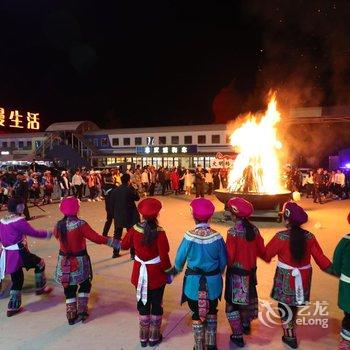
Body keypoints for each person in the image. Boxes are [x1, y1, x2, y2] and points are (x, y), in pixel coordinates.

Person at [264, 202, 333, 349]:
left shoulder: (281, 237)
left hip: (286, 276)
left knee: (284, 304)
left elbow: (267, 254)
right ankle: (291, 327)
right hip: (303, 275)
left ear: (287, 220)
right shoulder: (310, 237)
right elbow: (320, 257)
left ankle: (289, 336)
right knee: (294, 302)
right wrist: (334, 270)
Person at [53, 197, 120, 325]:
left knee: (69, 288)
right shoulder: (81, 224)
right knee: (85, 284)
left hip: (64, 262)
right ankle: (82, 311)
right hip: (79, 261)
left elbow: (56, 236)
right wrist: (112, 242)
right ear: (77, 209)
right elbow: (96, 238)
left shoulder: (58, 225)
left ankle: (71, 315)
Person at [173, 198, 227, 350]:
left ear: (193, 216)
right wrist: (218, 273)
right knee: (212, 310)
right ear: (210, 217)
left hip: (193, 284)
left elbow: (179, 260)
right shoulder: (217, 237)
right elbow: (223, 261)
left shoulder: (189, 236)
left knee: (196, 311)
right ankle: (211, 344)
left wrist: (175, 269)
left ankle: (198, 345)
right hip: (213, 283)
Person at [121, 198, 172, 347]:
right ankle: (154, 337)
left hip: (139, 273)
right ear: (157, 215)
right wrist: (169, 272)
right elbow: (164, 256)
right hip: (156, 275)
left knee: (142, 304)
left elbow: (124, 245)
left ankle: (143, 338)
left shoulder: (134, 229)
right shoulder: (160, 232)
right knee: (156, 304)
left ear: (141, 214)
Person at [0, 198, 53, 317]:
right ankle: (40, 288)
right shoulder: (19, 221)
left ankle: (12, 307)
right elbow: (32, 232)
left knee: (17, 280)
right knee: (40, 263)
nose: (23, 207)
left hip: (8, 255)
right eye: (21, 205)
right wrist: (47, 234)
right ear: (17, 207)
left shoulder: (2, 221)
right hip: (20, 253)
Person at [225, 197, 266, 347]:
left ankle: (237, 336)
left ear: (235, 215)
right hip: (251, 272)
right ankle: (246, 324)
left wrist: (221, 268)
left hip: (237, 274)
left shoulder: (233, 232)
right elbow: (262, 250)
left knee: (232, 305)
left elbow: (229, 256)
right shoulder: (254, 229)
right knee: (247, 299)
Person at [110, 173, 140, 258]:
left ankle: (115, 253)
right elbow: (137, 198)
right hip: (129, 215)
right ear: (128, 181)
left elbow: (111, 204)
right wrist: (134, 188)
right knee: (131, 234)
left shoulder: (115, 191)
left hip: (118, 216)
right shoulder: (129, 189)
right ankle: (133, 254)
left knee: (117, 235)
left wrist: (113, 215)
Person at [332, 212, 350, 349]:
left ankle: (346, 341)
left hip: (347, 286)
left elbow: (337, 260)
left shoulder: (345, 240)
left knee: (349, 316)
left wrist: (337, 271)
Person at [102, 172, 116, 237]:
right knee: (116, 221)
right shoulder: (113, 186)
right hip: (114, 206)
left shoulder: (104, 186)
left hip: (107, 205)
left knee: (109, 220)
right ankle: (116, 235)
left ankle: (104, 233)